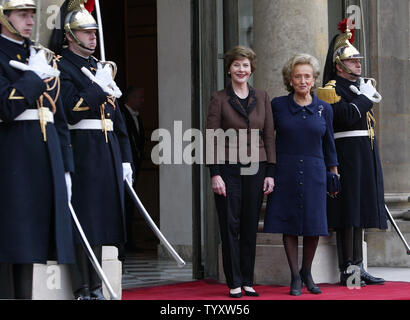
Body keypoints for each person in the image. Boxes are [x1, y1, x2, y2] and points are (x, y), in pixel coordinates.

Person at [52, 2, 133, 300]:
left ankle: (97, 284)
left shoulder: (99, 67)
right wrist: (98, 88)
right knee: (82, 224)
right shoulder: (62, 67)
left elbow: (117, 118)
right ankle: (83, 287)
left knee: (100, 224)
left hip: (106, 151)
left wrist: (125, 158)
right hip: (82, 151)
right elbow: (71, 110)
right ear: (71, 36)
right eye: (86, 32)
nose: (93, 36)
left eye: (94, 32)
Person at [0, 0, 75, 299]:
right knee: (12, 240)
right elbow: (6, 106)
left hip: (44, 156)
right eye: (22, 15)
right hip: (12, 155)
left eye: (32, 15)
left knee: (31, 243)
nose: (30, 21)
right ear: (4, 18)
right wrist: (32, 77)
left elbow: (57, 116)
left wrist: (65, 165)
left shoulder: (39, 55)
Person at [263, 53, 339, 296]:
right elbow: (267, 140)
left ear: (314, 78)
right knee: (290, 224)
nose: (303, 80)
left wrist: (333, 174)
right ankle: (295, 276)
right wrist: (269, 170)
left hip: (316, 172)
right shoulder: (277, 105)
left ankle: (307, 272)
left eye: (307, 76)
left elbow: (329, 144)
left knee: (314, 225)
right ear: (290, 79)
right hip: (285, 170)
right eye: (298, 76)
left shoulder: (324, 108)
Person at [319, 20, 387, 286]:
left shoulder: (356, 87)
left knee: (359, 212)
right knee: (348, 213)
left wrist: (364, 95)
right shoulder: (331, 89)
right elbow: (345, 117)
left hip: (363, 153)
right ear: (339, 65)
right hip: (346, 155)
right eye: (353, 60)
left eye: (358, 60)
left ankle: (358, 267)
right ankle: (348, 269)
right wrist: (365, 98)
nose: (358, 64)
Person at [206, 45, 276, 298]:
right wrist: (215, 173)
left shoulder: (263, 96)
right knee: (229, 225)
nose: (241, 69)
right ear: (229, 68)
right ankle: (234, 281)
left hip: (256, 167)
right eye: (236, 64)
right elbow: (211, 137)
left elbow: (268, 134)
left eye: (245, 65)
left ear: (251, 69)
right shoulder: (219, 98)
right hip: (227, 168)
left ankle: (248, 280)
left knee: (249, 225)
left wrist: (270, 171)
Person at [121, 86, 145, 181]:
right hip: (127, 159)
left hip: (136, 160)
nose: (143, 100)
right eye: (140, 97)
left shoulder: (137, 115)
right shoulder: (122, 113)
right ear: (132, 98)